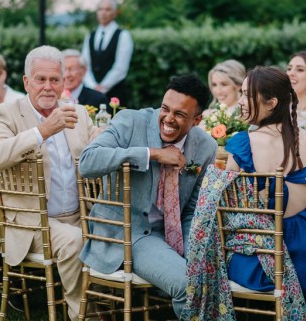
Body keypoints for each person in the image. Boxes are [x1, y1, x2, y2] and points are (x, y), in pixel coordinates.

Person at [78, 74, 217, 318]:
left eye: (180, 115)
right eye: (165, 109)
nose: (168, 119)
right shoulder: (131, 121)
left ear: (197, 120)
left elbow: (192, 208)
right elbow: (87, 162)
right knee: (189, 284)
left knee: (212, 270)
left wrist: (193, 249)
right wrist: (150, 154)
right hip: (127, 234)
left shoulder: (206, 146)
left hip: (171, 234)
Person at [0, 45, 96, 321]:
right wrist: (42, 131)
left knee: (120, 234)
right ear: (26, 82)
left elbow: (97, 153)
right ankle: (84, 315)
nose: (48, 87)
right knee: (74, 240)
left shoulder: (78, 114)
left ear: (63, 82)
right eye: (40, 79)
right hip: (31, 222)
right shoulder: (6, 113)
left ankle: (115, 304)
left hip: (81, 215)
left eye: (54, 80)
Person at [224, 66, 306, 318]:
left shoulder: (242, 143)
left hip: (262, 256)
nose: (241, 101)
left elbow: (228, 207)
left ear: (272, 103)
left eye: (247, 95)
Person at [81, 0, 134, 102]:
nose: (103, 13)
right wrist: (93, 86)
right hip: (91, 92)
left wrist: (103, 87)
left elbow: (121, 67)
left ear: (115, 13)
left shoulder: (123, 35)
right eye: (100, 9)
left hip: (114, 95)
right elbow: (84, 63)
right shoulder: (90, 35)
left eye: (107, 9)